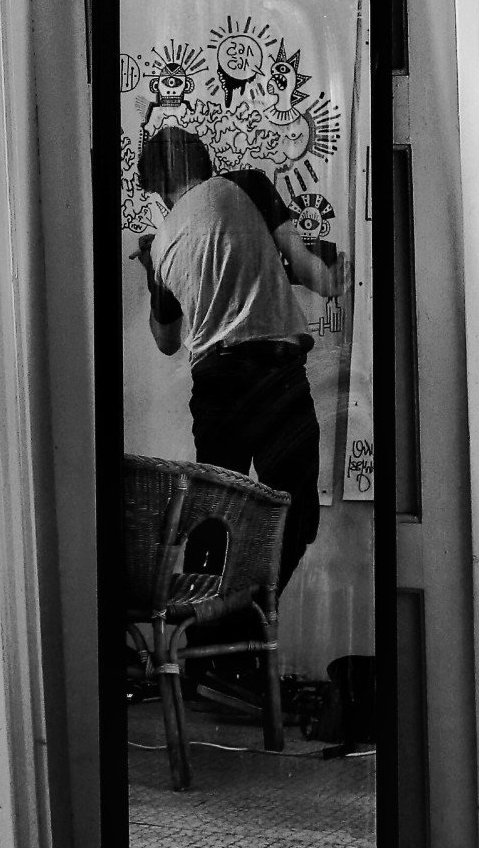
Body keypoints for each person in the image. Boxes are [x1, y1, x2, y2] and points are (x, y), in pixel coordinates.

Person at [133, 125, 348, 594]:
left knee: (214, 519)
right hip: (275, 371)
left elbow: (167, 340)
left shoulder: (163, 238)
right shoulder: (246, 182)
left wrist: (155, 274)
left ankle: (209, 639)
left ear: (158, 187)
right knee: (293, 510)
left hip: (214, 381)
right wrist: (333, 282)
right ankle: (244, 625)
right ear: (203, 161)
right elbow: (312, 271)